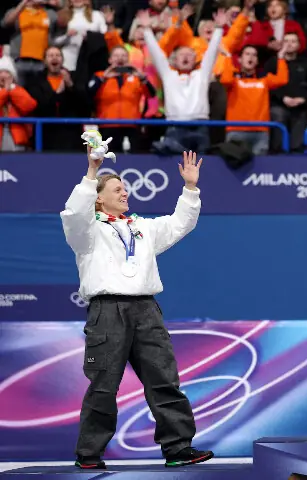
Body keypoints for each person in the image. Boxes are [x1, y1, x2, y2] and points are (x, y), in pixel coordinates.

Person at [61, 148, 213, 469]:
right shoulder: (87, 232)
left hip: (146, 309)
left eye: (125, 187)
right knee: (103, 384)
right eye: (117, 189)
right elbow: (75, 214)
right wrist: (92, 171)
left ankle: (178, 448)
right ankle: (89, 455)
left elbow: (179, 224)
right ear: (98, 199)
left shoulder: (142, 228)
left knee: (164, 380)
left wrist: (190, 188)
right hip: (107, 310)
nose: (125, 191)